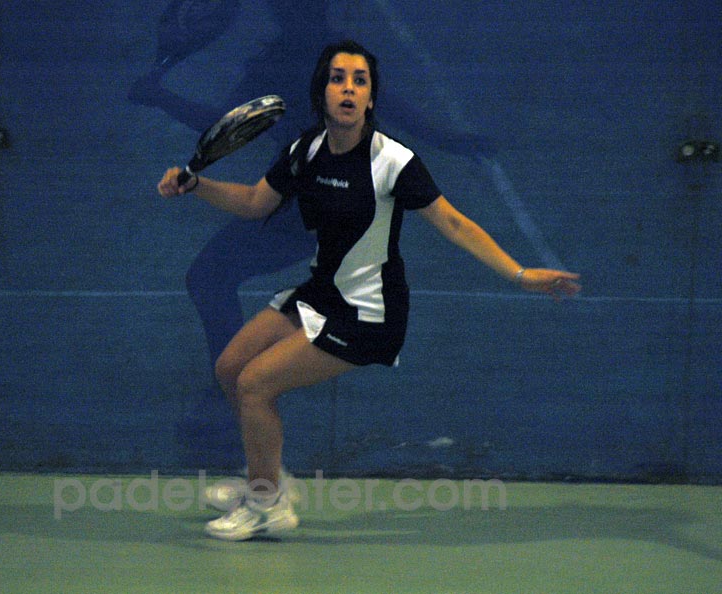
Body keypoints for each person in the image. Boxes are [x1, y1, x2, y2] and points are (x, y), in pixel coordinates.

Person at [158, 40, 581, 541]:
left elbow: (454, 223)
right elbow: (254, 202)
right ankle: (268, 481)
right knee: (230, 368)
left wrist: (520, 274)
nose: (349, 89)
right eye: (338, 78)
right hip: (322, 292)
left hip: (368, 314)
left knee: (255, 384)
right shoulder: (306, 151)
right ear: (322, 92)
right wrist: (197, 185)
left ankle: (266, 507)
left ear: (371, 99)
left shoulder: (393, 162)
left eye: (360, 81)